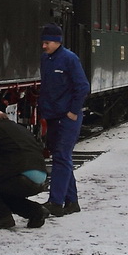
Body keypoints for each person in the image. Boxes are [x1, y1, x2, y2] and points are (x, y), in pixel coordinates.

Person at [39, 22, 90, 217]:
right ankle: (71, 201)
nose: (44, 46)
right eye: (43, 42)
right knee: (62, 158)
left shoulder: (70, 59)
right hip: (52, 116)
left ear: (58, 42)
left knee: (61, 157)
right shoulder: (47, 60)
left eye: (48, 42)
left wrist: (73, 111)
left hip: (66, 117)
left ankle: (56, 201)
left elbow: (82, 86)